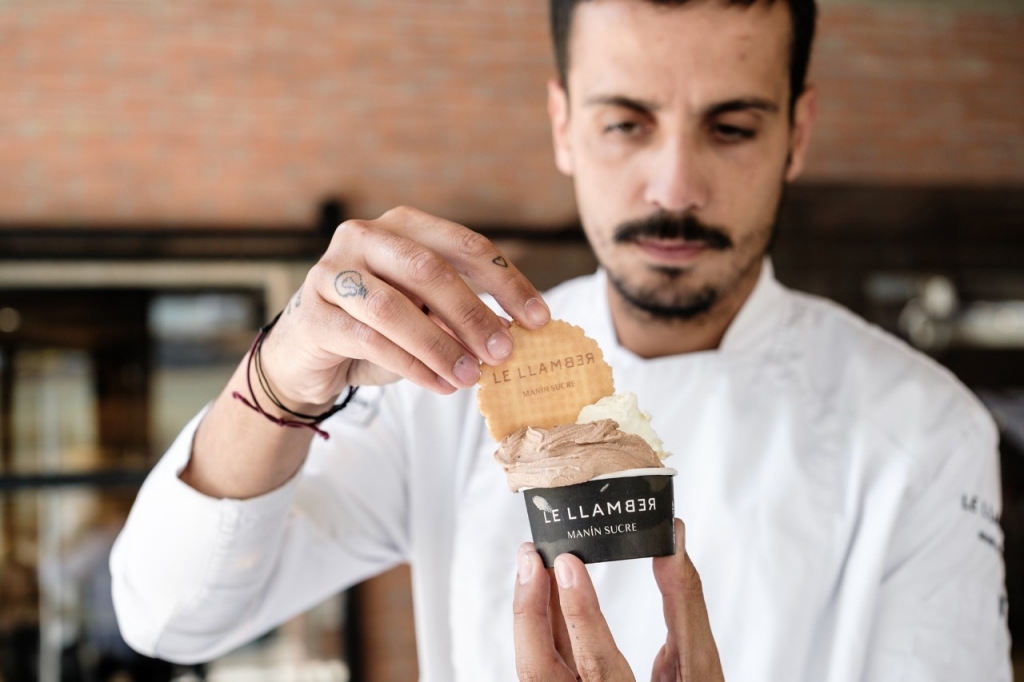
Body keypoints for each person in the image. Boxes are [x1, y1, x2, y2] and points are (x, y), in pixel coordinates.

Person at [110, 0, 1012, 680]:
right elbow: (169, 615)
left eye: (732, 127)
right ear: (563, 126)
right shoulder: (451, 376)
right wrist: (283, 379)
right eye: (626, 123)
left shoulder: (925, 432)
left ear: (797, 134)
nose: (675, 186)